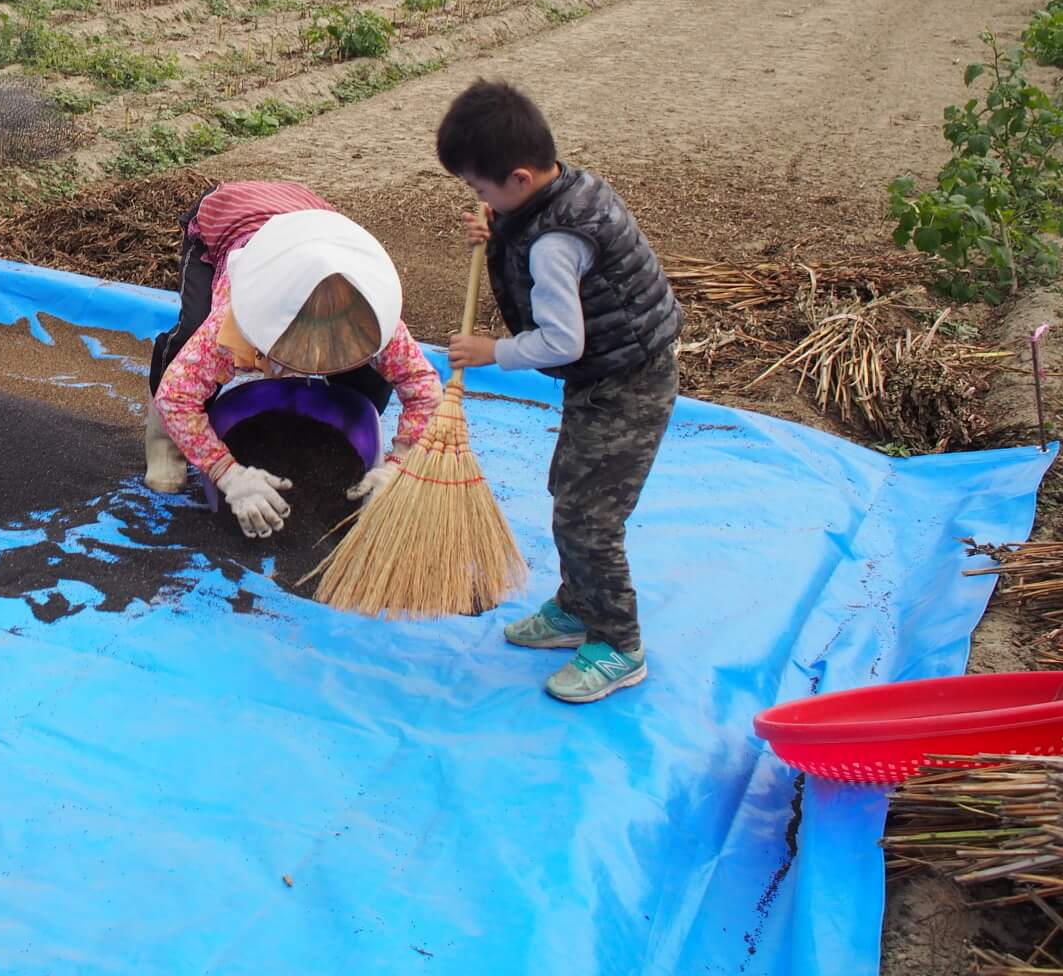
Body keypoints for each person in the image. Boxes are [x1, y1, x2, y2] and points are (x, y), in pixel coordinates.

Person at [436, 80, 681, 703]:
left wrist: (493, 352)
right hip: (607, 373)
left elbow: (561, 342)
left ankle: (619, 643)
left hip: (626, 382)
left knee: (589, 516)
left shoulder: (554, 242)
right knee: (568, 490)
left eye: (479, 188)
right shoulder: (564, 193)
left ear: (519, 177)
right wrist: (497, 229)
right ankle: (577, 605)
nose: (477, 198)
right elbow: (534, 239)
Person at [145, 180, 442, 537]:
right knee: (189, 332)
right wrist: (229, 473)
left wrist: (400, 464)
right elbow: (177, 396)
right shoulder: (232, 318)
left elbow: (423, 387)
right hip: (230, 220)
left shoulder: (373, 317)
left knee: (370, 377)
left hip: (310, 224)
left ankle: (346, 427)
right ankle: (164, 443)